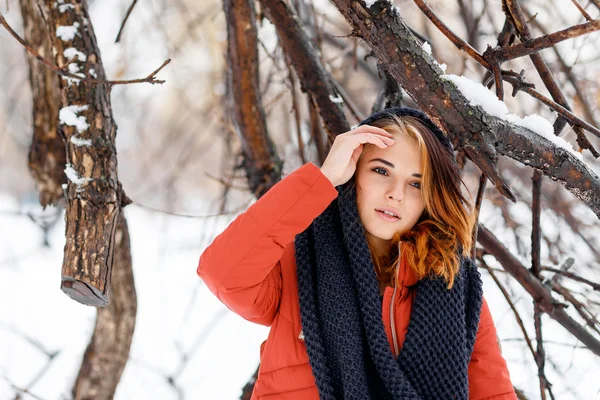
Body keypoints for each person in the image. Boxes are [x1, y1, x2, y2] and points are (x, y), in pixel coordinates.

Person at [197, 107, 516, 399]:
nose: (396, 194)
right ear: (353, 174)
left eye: (416, 184)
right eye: (381, 171)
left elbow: (493, 391)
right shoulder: (300, 263)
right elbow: (223, 273)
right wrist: (321, 180)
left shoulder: (453, 283)